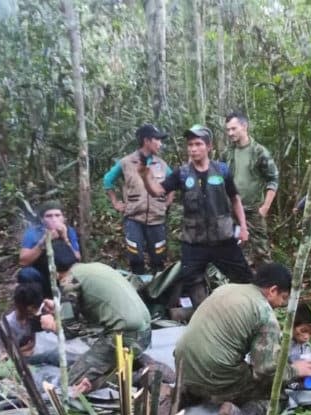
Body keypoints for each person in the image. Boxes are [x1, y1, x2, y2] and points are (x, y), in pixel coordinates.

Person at [173, 263, 311, 415]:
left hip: (182, 364)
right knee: (276, 398)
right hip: (216, 374)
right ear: (272, 290)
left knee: (221, 368)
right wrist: (295, 369)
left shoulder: (226, 289)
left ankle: (181, 394)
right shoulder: (264, 313)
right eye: (283, 298)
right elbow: (265, 370)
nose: (281, 305)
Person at [139, 124, 253, 308]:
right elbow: (157, 191)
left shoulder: (222, 170)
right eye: (190, 144)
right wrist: (145, 176)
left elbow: (235, 199)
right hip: (194, 241)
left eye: (198, 144)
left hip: (223, 238)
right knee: (191, 279)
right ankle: (204, 314)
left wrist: (243, 228)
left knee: (244, 277)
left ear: (209, 147)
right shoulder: (181, 173)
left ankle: (248, 311)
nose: (193, 149)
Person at [49, 245, 173, 389]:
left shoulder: (69, 280)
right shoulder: (93, 267)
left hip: (125, 336)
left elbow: (70, 330)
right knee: (98, 355)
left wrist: (52, 324)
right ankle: (138, 361)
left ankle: (142, 376)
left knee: (73, 381)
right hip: (143, 332)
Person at [103, 124, 175, 275]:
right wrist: (116, 202)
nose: (160, 144)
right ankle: (138, 288)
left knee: (158, 257)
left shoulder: (161, 164)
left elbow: (172, 184)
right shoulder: (126, 162)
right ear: (146, 141)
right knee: (135, 257)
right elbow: (108, 181)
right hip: (134, 218)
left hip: (157, 220)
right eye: (158, 140)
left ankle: (157, 291)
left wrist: (167, 202)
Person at [222, 112, 279, 267]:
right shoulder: (227, 153)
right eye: (228, 130)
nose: (230, 133)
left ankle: (267, 286)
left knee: (261, 251)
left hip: (254, 210)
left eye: (233, 129)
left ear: (244, 126)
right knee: (236, 250)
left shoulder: (259, 152)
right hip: (232, 210)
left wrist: (265, 207)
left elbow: (273, 179)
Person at [18, 200, 81, 297]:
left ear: (63, 218)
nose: (54, 219)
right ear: (42, 219)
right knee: (26, 274)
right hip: (43, 276)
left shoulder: (69, 230)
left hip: (66, 276)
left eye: (57, 215)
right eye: (49, 216)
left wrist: (65, 238)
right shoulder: (33, 232)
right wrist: (43, 242)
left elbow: (77, 258)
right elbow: (23, 261)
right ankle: (38, 303)